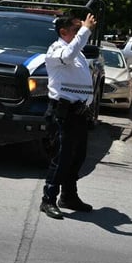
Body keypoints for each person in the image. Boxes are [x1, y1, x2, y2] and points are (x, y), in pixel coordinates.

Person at [40, 12, 98, 220]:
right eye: (76, 29)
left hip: (79, 112)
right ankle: (48, 199)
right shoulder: (57, 50)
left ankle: (69, 196)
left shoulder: (77, 52)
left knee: (78, 156)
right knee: (62, 157)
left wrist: (87, 104)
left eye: (80, 29)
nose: (81, 32)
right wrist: (85, 30)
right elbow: (68, 55)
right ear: (63, 32)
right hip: (62, 112)